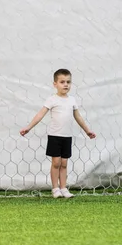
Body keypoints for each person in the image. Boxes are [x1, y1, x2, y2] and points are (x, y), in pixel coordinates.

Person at [20, 69, 96, 198]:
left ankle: (63, 188)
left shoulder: (72, 100)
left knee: (64, 163)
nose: (66, 85)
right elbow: (40, 114)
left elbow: (78, 117)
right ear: (55, 84)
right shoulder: (52, 99)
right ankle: (55, 188)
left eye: (68, 82)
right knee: (56, 163)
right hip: (55, 136)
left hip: (67, 137)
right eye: (62, 82)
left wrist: (87, 131)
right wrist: (29, 127)